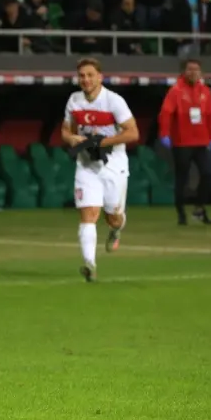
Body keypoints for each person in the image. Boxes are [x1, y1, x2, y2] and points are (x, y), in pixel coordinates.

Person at [61, 57, 139, 282]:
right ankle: (90, 264)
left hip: (113, 165)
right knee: (88, 214)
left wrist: (102, 142)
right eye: (82, 76)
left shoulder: (114, 101)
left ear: (100, 77)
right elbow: (66, 131)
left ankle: (116, 229)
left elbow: (133, 133)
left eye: (90, 75)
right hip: (86, 165)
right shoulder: (74, 100)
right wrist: (73, 138)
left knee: (112, 217)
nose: (85, 79)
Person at [159, 59, 211, 227]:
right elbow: (166, 113)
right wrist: (164, 133)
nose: (193, 73)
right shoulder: (176, 91)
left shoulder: (205, 91)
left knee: (207, 173)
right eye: (190, 69)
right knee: (182, 178)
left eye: (196, 70)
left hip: (201, 141)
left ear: (201, 72)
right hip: (182, 142)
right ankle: (181, 213)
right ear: (184, 72)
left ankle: (199, 208)